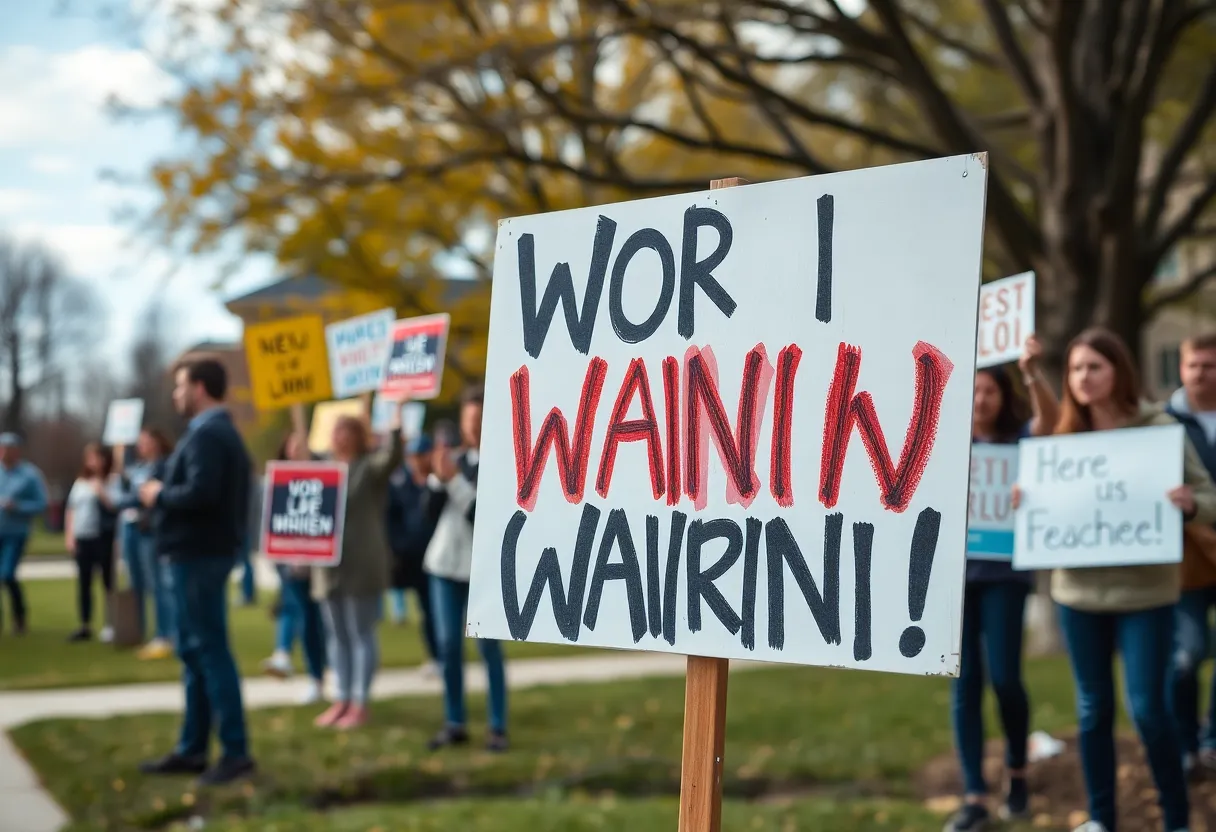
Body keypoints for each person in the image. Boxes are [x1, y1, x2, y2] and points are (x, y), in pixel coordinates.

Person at [1014, 327, 1216, 832]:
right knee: (1092, 711)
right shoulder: (1061, 439)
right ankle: (1101, 818)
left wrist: (1190, 504)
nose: (1084, 377)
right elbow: (1039, 495)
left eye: (1094, 367)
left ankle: (1176, 818)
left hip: (1146, 594)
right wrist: (1027, 499)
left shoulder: (1158, 428)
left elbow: (1208, 494)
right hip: (1077, 595)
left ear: (1118, 371)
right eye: (1077, 369)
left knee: (1148, 710)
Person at [946, 335, 1058, 832]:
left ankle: (1016, 768)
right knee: (964, 685)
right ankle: (974, 795)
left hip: (1004, 577)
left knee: (1007, 679)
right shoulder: (943, 443)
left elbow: (1054, 426)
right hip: (952, 582)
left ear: (1002, 395)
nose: (980, 400)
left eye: (989, 391)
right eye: (971, 392)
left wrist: (1032, 371)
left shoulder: (1020, 444)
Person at [137, 358, 255, 786]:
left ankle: (236, 751)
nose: (175, 394)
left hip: (199, 558)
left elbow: (202, 494)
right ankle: (193, 748)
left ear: (200, 387)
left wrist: (159, 494)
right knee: (194, 653)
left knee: (210, 651)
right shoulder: (207, 433)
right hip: (194, 556)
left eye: (181, 386)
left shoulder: (211, 433)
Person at [425, 385, 508, 752]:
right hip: (445, 565)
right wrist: (434, 477)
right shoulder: (454, 459)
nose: (471, 426)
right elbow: (427, 511)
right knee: (447, 646)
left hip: (482, 570)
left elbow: (479, 513)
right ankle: (454, 720)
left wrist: (452, 481)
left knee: (489, 648)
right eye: (467, 418)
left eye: (478, 418)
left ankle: (497, 726)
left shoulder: (503, 460)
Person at [312, 410, 402, 730]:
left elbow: (392, 457)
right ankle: (342, 698)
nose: (340, 437)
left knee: (360, 632)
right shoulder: (322, 469)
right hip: (328, 566)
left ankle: (360, 701)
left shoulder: (368, 468)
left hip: (361, 564)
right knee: (336, 636)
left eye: (347, 431)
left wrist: (396, 419)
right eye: (337, 431)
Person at [1166, 333, 1216, 776]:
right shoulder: (1161, 423)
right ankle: (1183, 744)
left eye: (1210, 365)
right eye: (1194, 364)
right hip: (1185, 558)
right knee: (1187, 655)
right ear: (1181, 368)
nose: (1202, 373)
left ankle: (1211, 742)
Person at [261, 430, 327, 705]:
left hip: (319, 567)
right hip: (290, 567)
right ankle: (301, 666)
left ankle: (307, 666)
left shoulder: (325, 476)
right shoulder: (278, 480)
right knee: (302, 616)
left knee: (317, 620)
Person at [115, 429, 175, 659]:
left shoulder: (162, 466)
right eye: (139, 442)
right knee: (136, 582)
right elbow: (126, 485)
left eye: (146, 441)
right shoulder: (138, 467)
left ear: (157, 443)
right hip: (130, 528)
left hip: (149, 530)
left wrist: (124, 501)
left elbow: (144, 497)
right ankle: (138, 631)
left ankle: (165, 635)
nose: (141, 446)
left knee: (157, 583)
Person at [386, 432, 439, 669]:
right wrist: (399, 547)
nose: (416, 461)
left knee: (437, 610)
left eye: (420, 455)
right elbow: (391, 519)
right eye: (412, 456)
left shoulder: (438, 482)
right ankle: (434, 655)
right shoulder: (400, 486)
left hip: (439, 557)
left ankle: (444, 654)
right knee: (425, 610)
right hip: (414, 559)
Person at [65, 443, 120, 643]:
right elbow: (71, 509)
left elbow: (116, 506)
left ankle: (111, 624)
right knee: (84, 582)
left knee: (108, 582)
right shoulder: (80, 482)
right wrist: (70, 535)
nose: (93, 462)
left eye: (97, 457)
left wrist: (101, 492)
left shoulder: (112, 481)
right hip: (83, 536)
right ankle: (85, 624)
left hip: (102, 536)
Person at [0, 432, 47, 636]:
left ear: (16, 451)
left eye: (8, 449)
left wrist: (17, 506)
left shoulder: (30, 475)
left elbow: (42, 503)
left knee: (7, 574)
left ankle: (19, 617)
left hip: (16, 533)